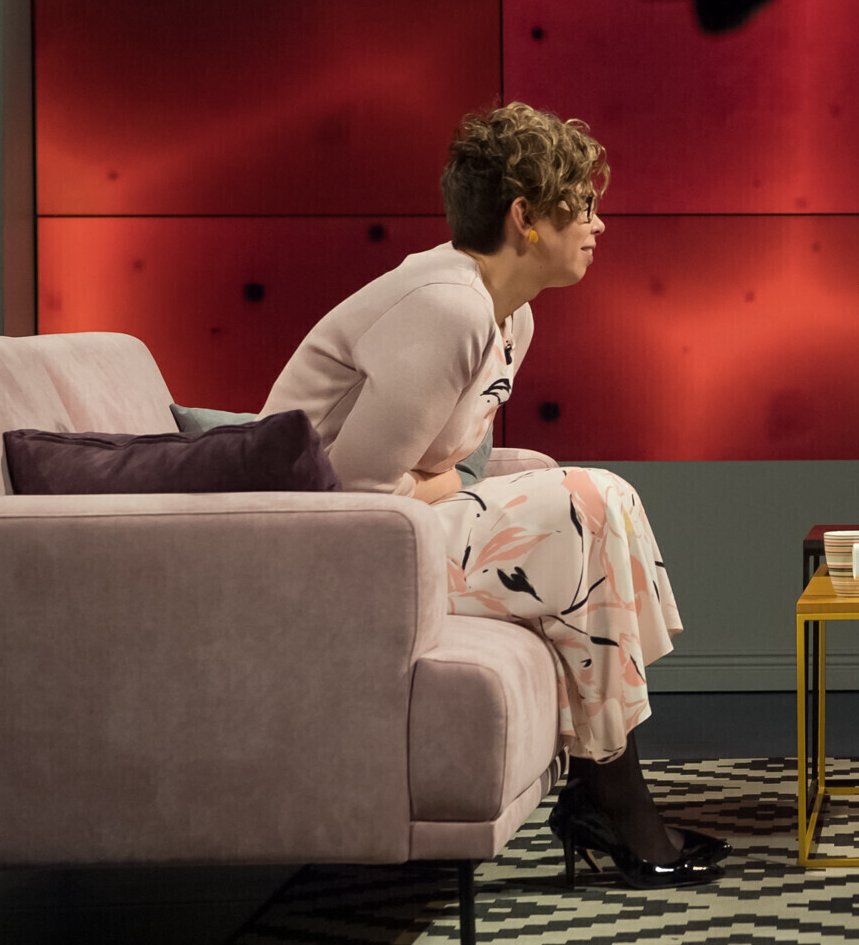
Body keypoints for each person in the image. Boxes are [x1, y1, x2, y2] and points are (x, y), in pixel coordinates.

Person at [262, 103, 725, 889]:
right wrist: (460, 482)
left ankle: (605, 789)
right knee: (587, 500)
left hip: (403, 528)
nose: (599, 225)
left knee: (605, 498)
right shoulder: (447, 306)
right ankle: (614, 798)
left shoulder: (512, 319)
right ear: (524, 218)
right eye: (581, 205)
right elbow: (356, 493)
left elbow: (439, 467)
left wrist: (456, 481)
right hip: (330, 549)